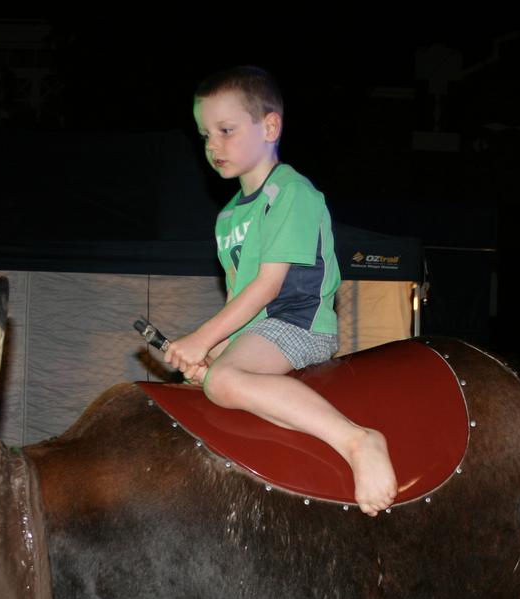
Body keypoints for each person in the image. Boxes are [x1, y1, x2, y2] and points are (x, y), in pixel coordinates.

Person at [162, 66, 397, 516]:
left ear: (270, 126)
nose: (213, 145)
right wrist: (213, 354)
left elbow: (268, 288)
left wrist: (202, 341)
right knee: (215, 381)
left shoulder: (292, 193)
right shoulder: (228, 217)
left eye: (226, 130)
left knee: (225, 382)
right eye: (204, 134)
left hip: (299, 323)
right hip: (263, 330)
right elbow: (238, 302)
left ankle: (358, 440)